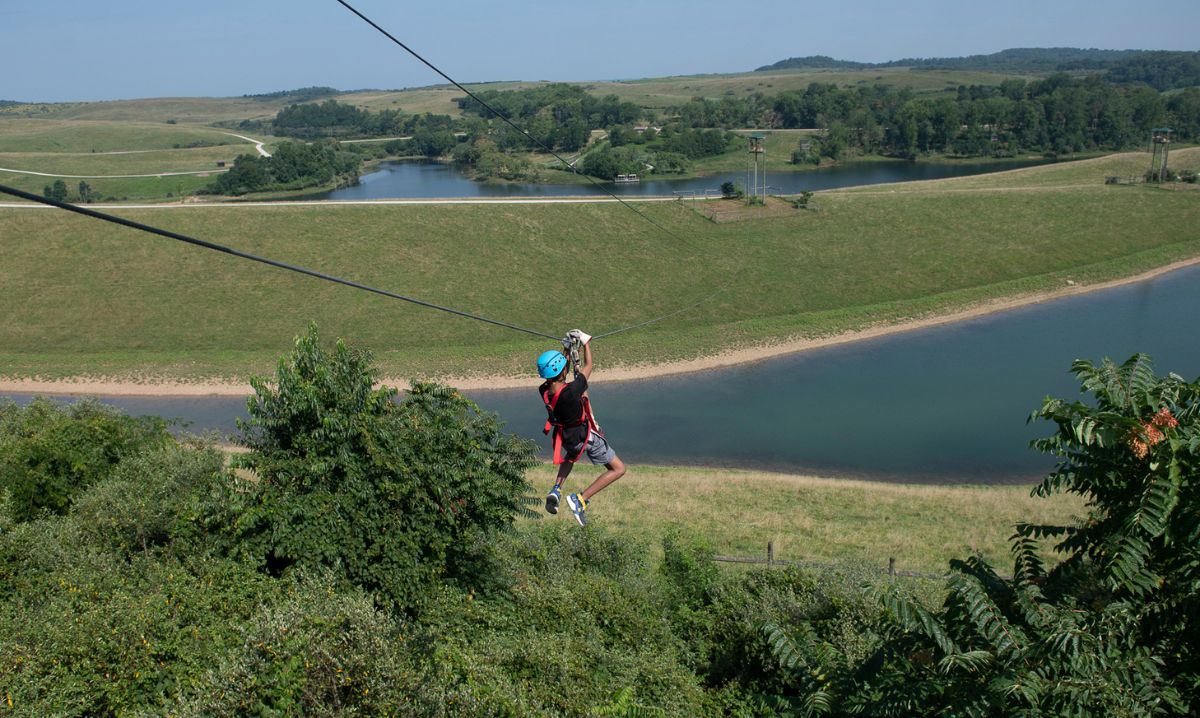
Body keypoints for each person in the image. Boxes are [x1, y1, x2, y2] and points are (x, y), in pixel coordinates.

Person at [536, 329, 626, 527]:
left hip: (566, 435)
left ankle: (557, 488)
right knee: (619, 469)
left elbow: (560, 369)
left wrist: (566, 349)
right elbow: (589, 366)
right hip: (585, 436)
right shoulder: (571, 392)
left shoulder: (544, 390)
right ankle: (581, 499)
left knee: (570, 456)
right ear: (562, 372)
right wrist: (586, 343)